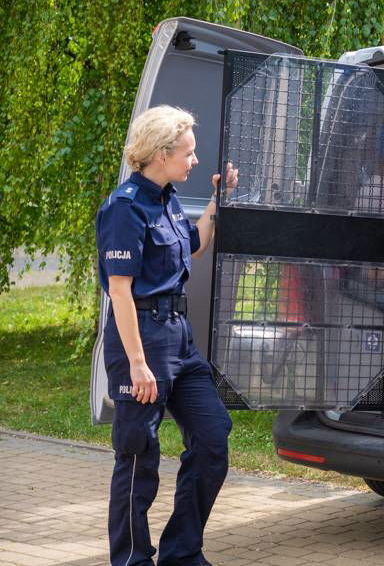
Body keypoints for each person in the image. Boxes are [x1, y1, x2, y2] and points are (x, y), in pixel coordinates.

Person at [96, 105, 238, 566]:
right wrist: (137, 363)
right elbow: (119, 291)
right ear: (160, 154)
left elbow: (193, 246)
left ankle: (181, 552)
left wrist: (219, 200)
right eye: (188, 153)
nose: (195, 161)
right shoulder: (124, 208)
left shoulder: (166, 197)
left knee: (213, 435)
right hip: (142, 339)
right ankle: (132, 559)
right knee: (139, 457)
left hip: (180, 340)